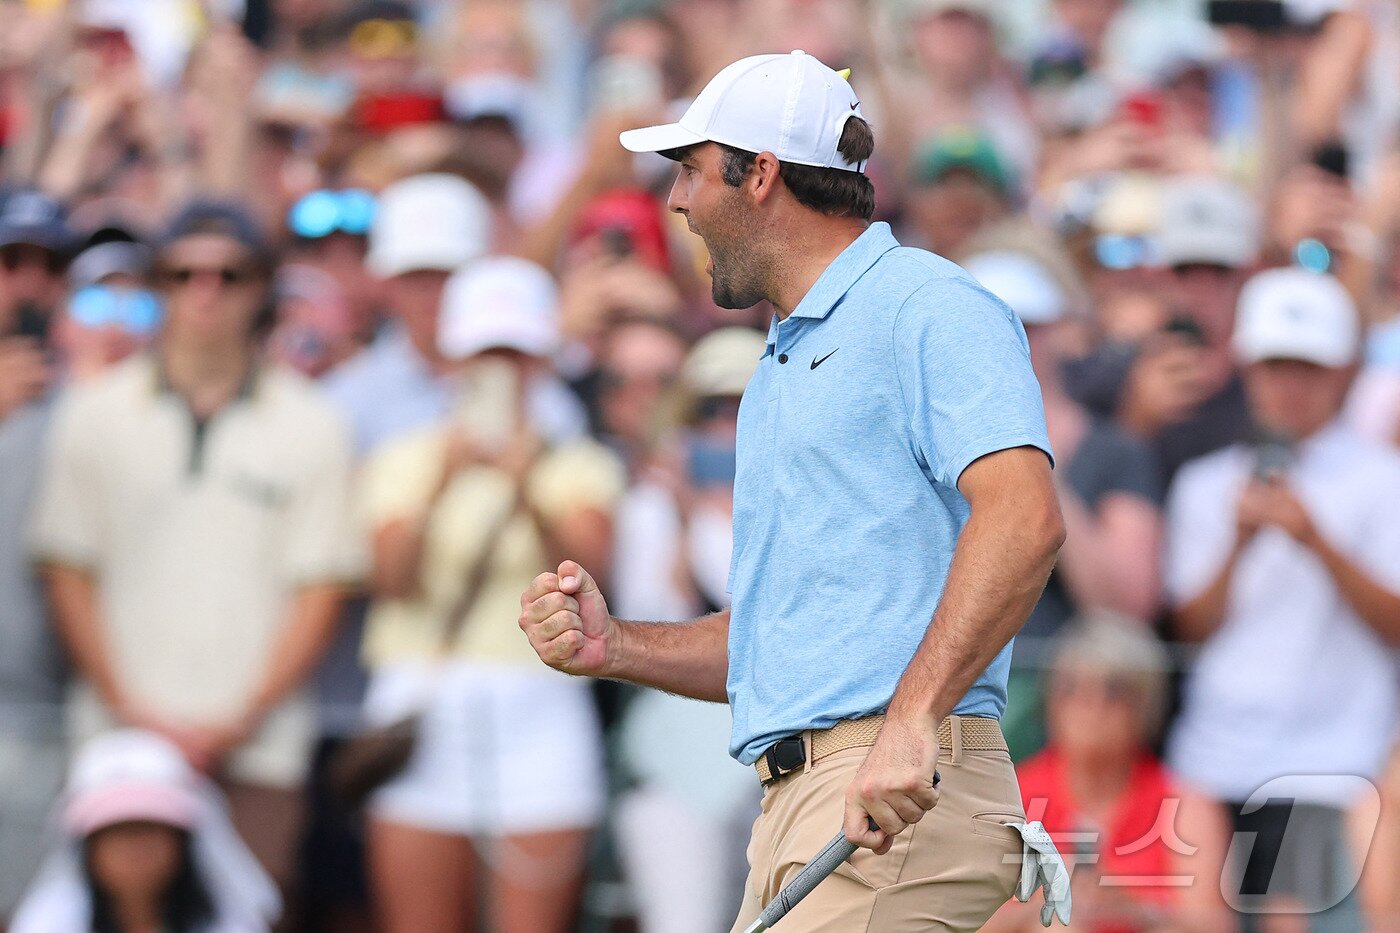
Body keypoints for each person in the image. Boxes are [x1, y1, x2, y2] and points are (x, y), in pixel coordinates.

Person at [519, 51, 1067, 931]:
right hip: (814, 806)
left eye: (691, 171)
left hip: (893, 798)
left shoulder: (928, 304)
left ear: (761, 174)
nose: (677, 202)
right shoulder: (781, 359)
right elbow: (774, 641)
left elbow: (1026, 515)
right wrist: (616, 645)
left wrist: (911, 721)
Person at [29, 200, 362, 893]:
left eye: (228, 275)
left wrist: (240, 719)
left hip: (259, 746)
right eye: (184, 275)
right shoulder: (93, 414)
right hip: (118, 741)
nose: (205, 292)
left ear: (261, 287)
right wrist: (133, 710)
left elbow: (321, 587)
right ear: (159, 287)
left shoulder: (314, 421)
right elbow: (68, 573)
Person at [358, 256, 623, 933]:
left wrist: (529, 485)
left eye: (517, 355)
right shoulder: (408, 456)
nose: (501, 371)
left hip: (540, 703)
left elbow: (594, 578)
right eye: (485, 354)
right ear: (454, 361)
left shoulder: (575, 461)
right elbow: (390, 580)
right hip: (424, 698)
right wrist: (445, 478)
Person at [1165, 267, 1400, 925]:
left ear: (1342, 372)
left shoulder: (1383, 480)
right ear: (1248, 368)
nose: (1287, 385)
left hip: (1333, 760)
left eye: (1306, 367)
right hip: (1214, 754)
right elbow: (1188, 624)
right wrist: (1239, 543)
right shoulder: (1204, 483)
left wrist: (1316, 541)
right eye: (1274, 366)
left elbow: (1395, 621)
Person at [611, 327, 767, 933]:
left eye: (742, 409)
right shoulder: (651, 508)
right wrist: (683, 511)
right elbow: (654, 617)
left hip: (777, 758)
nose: (725, 429)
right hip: (678, 760)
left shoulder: (798, 499)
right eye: (710, 412)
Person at [985, 614, 1235, 933]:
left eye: (1113, 690)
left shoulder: (1187, 807)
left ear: (1145, 705)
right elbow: (970, 924)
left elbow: (1212, 927)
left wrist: (1132, 910)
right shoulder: (1009, 798)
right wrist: (1048, 897)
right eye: (1071, 687)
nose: (1091, 705)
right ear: (1050, 700)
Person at [11, 729, 280, 933]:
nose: (136, 849)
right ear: (88, 848)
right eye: (118, 832)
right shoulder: (49, 922)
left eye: (150, 830)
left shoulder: (227, 923)